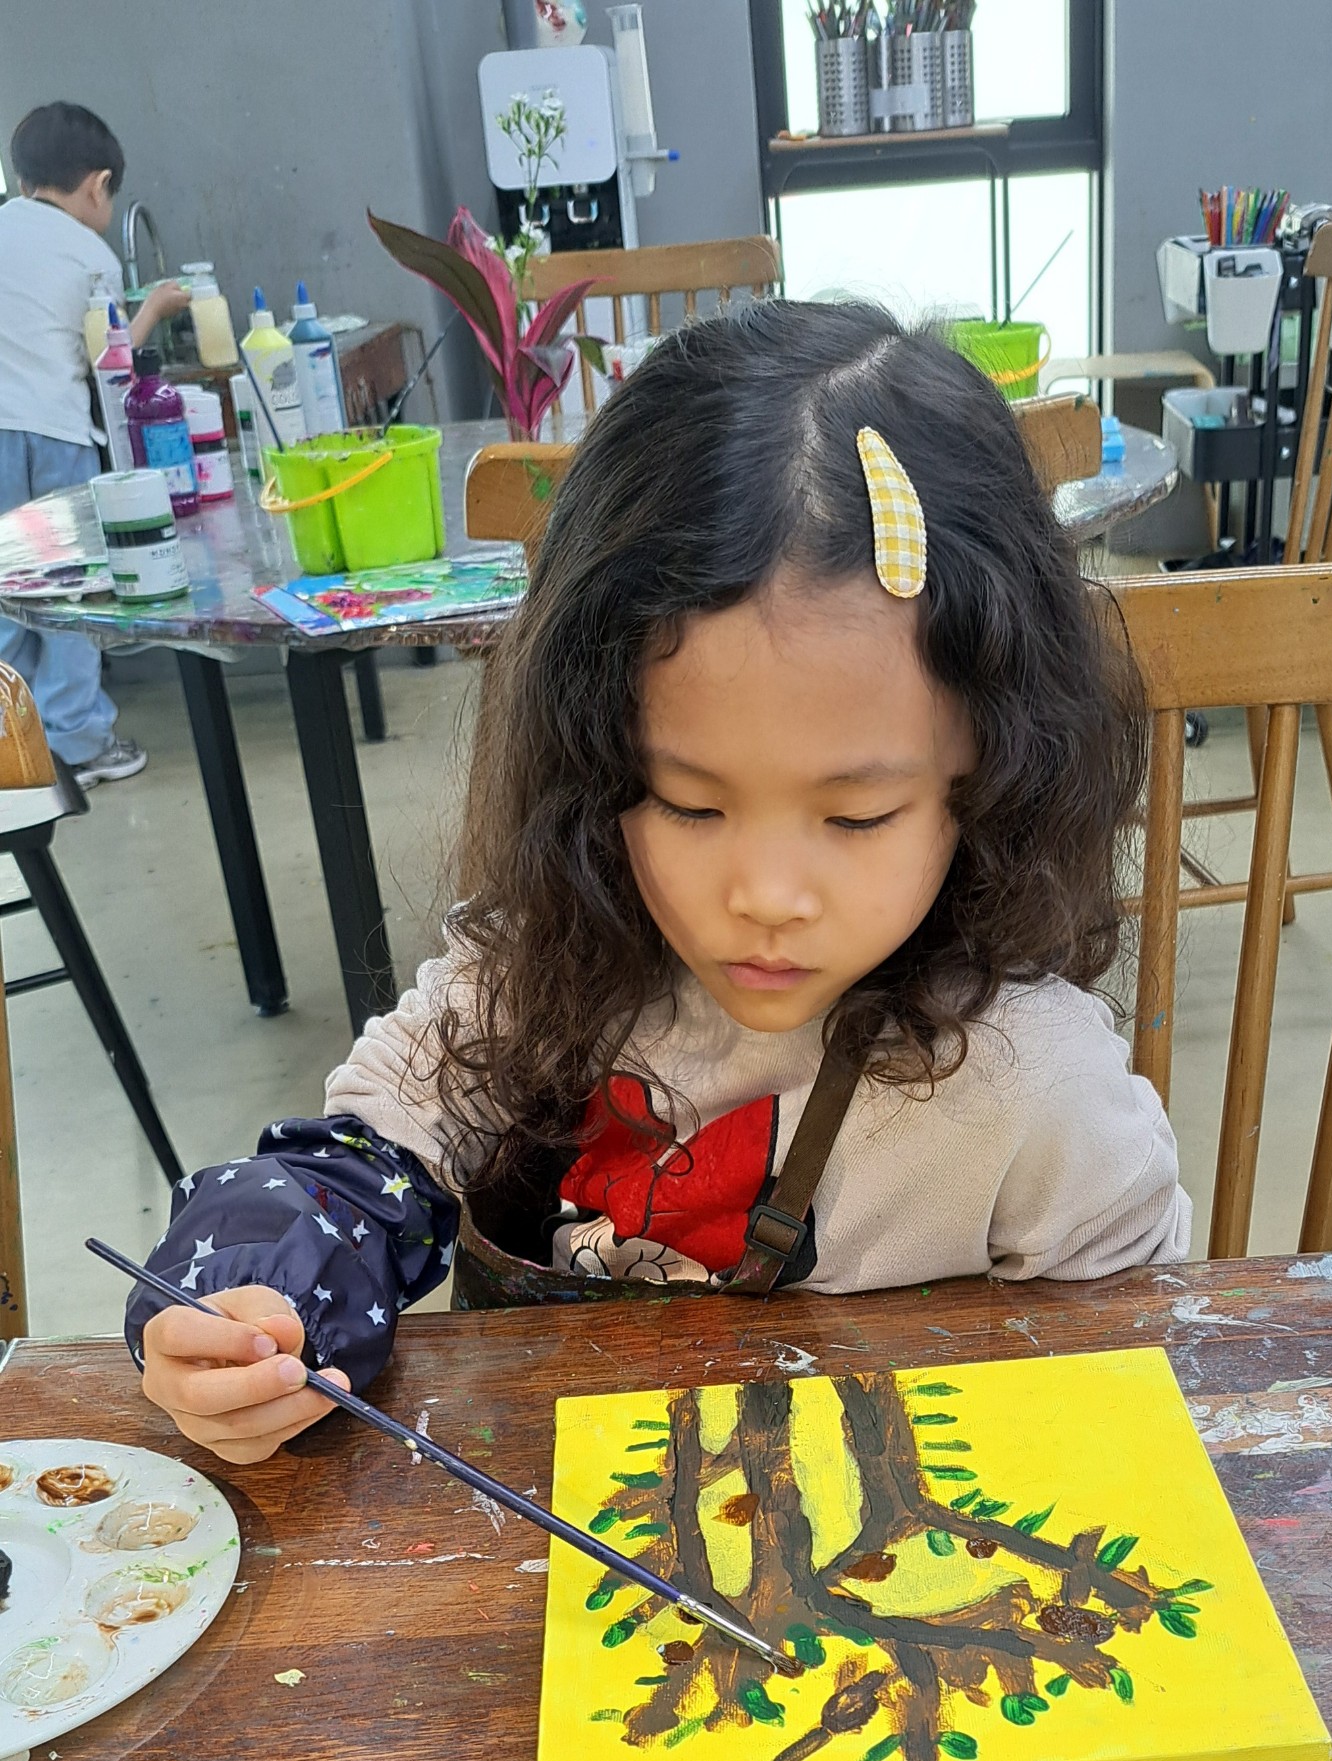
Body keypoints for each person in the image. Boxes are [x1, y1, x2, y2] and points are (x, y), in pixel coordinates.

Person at [128, 300, 1191, 1464]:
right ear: (595, 761)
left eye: (857, 816)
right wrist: (255, 1298)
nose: (767, 895)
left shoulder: (1039, 1097)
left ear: (989, 772)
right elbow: (359, 1158)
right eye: (688, 801)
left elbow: (1128, 1396)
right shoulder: (551, 964)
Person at [0, 102, 187, 784]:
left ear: (24, 181)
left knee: (6, 595)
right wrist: (154, 309)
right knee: (71, 590)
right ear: (98, 185)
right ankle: (79, 743)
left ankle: (14, 755)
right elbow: (108, 360)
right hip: (53, 435)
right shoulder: (90, 254)